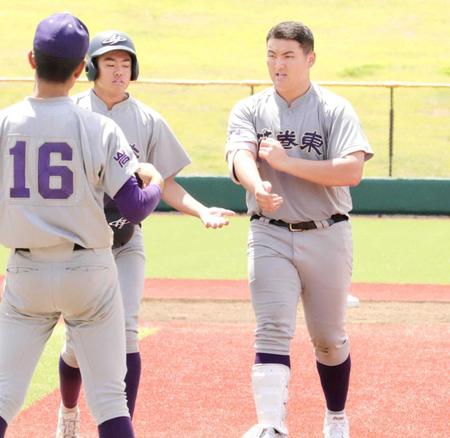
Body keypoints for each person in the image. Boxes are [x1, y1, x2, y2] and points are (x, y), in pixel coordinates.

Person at [55, 30, 235, 436]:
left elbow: (166, 183)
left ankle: (124, 428)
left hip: (125, 241)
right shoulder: (72, 112)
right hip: (79, 247)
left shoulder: (147, 119)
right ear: (91, 67)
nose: (119, 70)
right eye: (109, 62)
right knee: (76, 347)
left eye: (125, 63)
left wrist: (201, 210)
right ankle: (68, 413)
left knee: (127, 332)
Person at [0, 13, 165, 438]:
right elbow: (136, 206)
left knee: (2, 397)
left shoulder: (4, 124)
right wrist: (157, 181)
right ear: (81, 69)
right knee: (110, 401)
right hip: (90, 272)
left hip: (25, 273)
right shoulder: (99, 127)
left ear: (31, 60)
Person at [226, 21, 373, 438]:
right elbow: (240, 154)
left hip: (326, 231)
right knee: (272, 326)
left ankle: (336, 416)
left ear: (310, 59)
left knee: (328, 338)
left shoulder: (334, 109)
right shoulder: (250, 109)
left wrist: (287, 164)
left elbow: (352, 170)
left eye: (288, 55)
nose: (278, 64)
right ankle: (272, 425)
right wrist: (257, 185)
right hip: (269, 230)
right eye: (272, 54)